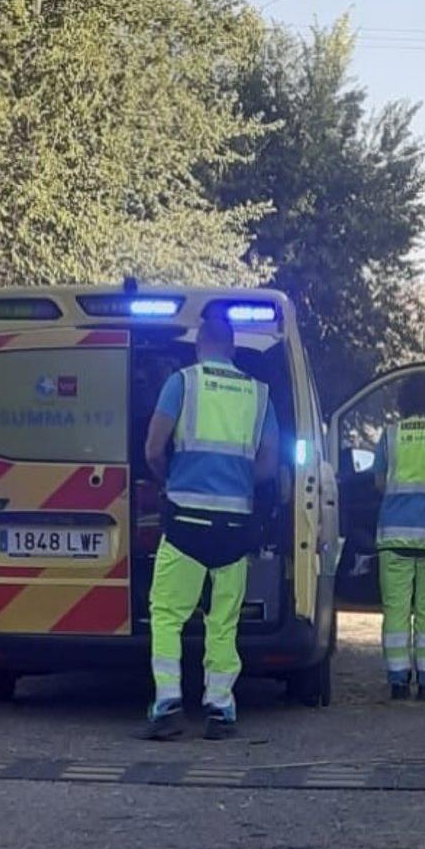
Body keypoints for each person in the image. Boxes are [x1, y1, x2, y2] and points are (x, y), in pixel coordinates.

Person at [140, 305, 278, 740]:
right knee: (224, 621)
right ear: (233, 347)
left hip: (185, 522)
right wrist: (237, 482)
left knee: (167, 614)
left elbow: (153, 448)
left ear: (200, 346)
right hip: (234, 527)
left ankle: (167, 704)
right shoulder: (259, 394)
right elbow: (270, 464)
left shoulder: (182, 383)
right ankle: (220, 707)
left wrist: (171, 479)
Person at [372, 373, 425, 701]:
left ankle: (397, 678)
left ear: (403, 400)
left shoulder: (391, 436)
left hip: (395, 533)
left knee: (395, 609)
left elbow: (379, 482)